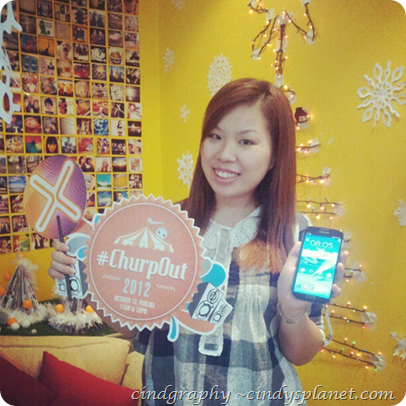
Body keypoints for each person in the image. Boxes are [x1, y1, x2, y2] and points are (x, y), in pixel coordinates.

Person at [48, 78, 348, 405]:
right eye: (214, 136)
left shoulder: (294, 235)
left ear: (275, 154)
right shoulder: (164, 225)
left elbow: (301, 355)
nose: (224, 154)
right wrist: (88, 281)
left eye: (246, 141)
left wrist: (292, 310)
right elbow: (137, 331)